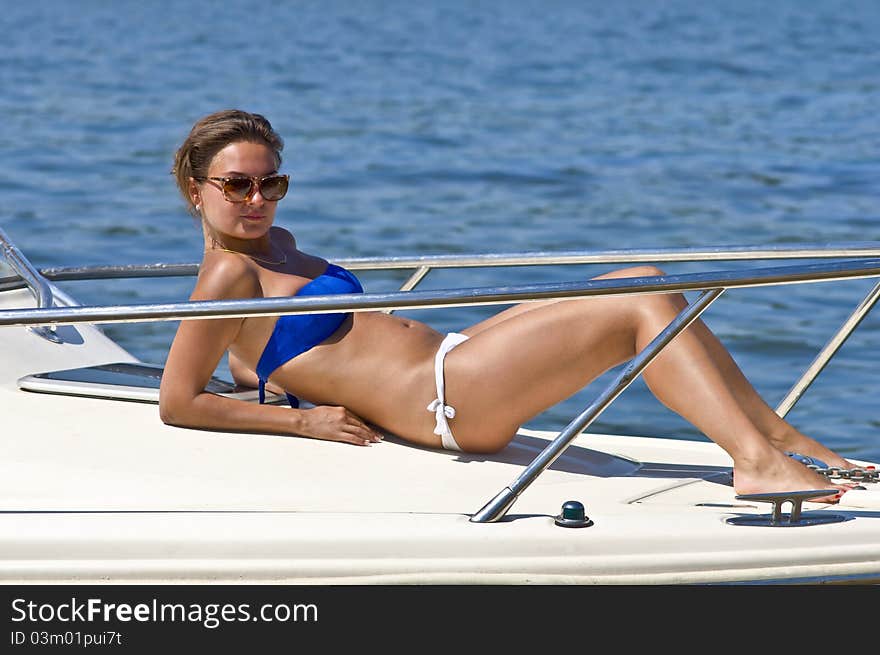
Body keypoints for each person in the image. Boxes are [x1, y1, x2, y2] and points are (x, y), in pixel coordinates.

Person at [159, 108, 856, 503]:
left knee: (646, 277)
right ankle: (754, 461)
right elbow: (179, 399)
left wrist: (269, 378)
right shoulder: (225, 279)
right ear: (197, 189)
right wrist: (304, 423)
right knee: (641, 303)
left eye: (271, 183)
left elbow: (269, 353)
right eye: (238, 185)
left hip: (450, 360)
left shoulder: (275, 243)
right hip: (444, 401)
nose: (257, 200)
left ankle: (779, 438)